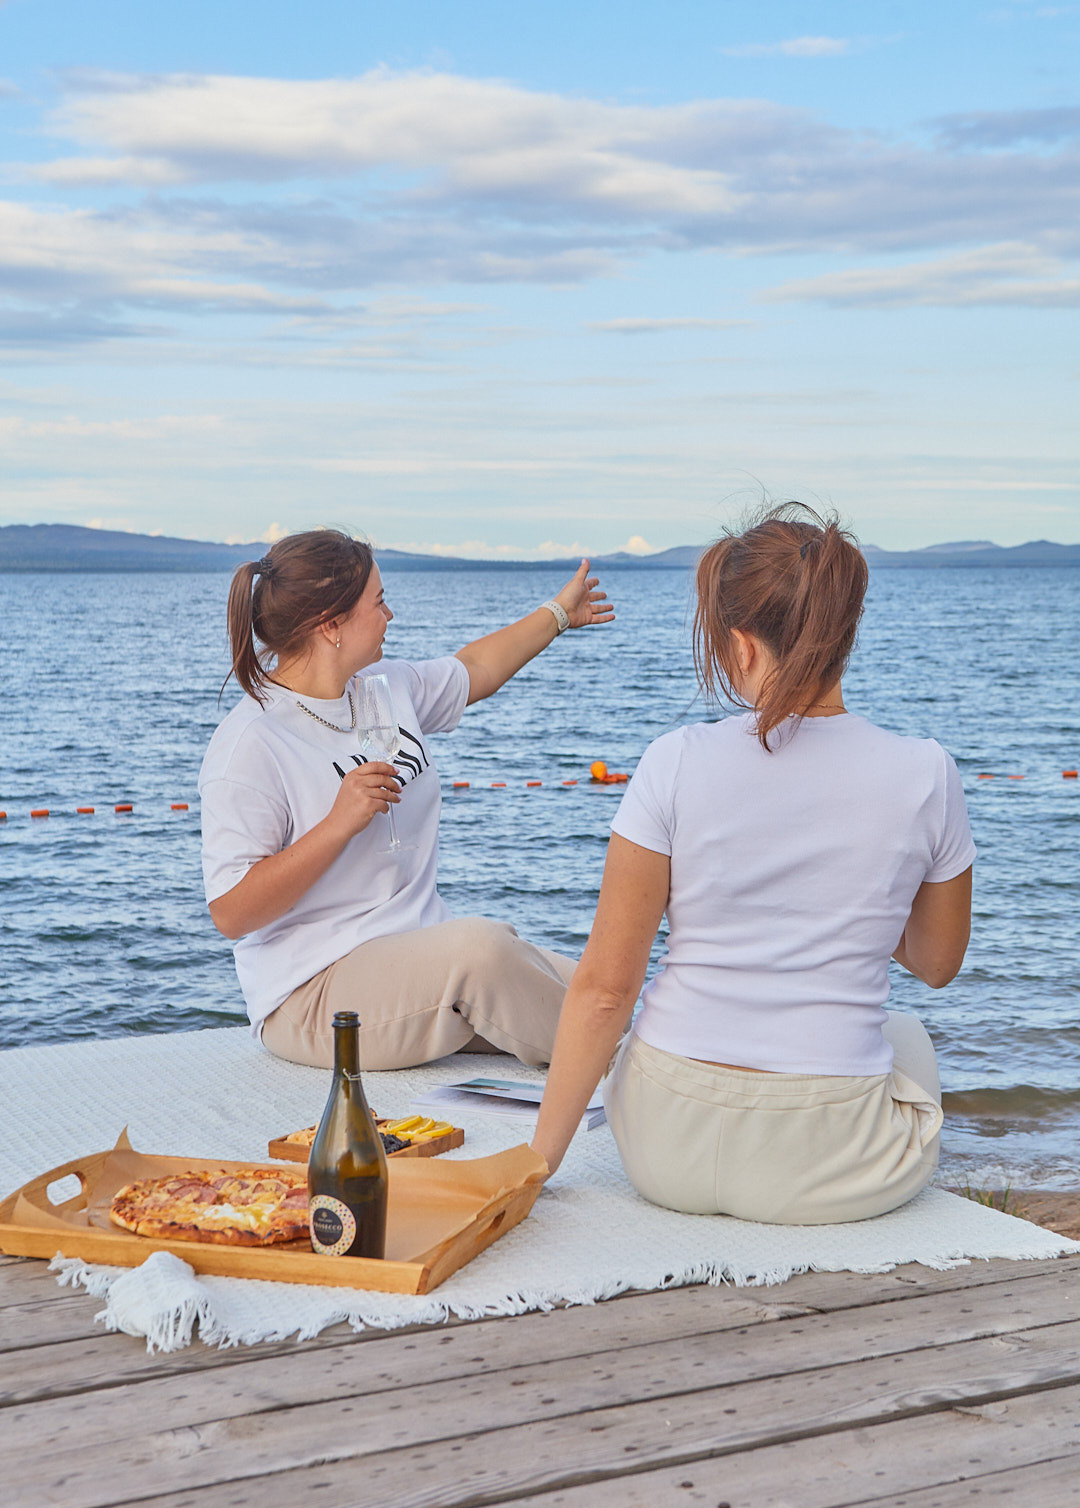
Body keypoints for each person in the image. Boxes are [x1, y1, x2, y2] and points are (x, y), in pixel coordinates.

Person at [532, 504, 975, 1224]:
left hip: (664, 1146)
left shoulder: (674, 760)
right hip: (831, 1160)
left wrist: (535, 1164)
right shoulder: (926, 772)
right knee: (908, 1039)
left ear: (741, 647)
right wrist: (863, 886)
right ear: (846, 635)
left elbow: (607, 990)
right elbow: (935, 963)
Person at [199, 528, 613, 1069]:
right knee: (481, 950)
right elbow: (231, 912)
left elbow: (477, 669)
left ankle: (644, 1057)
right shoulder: (251, 741)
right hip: (312, 995)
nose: (390, 614)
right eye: (379, 601)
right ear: (331, 625)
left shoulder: (383, 687)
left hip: (416, 957)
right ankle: (641, 1080)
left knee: (602, 991)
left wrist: (559, 614)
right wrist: (337, 825)